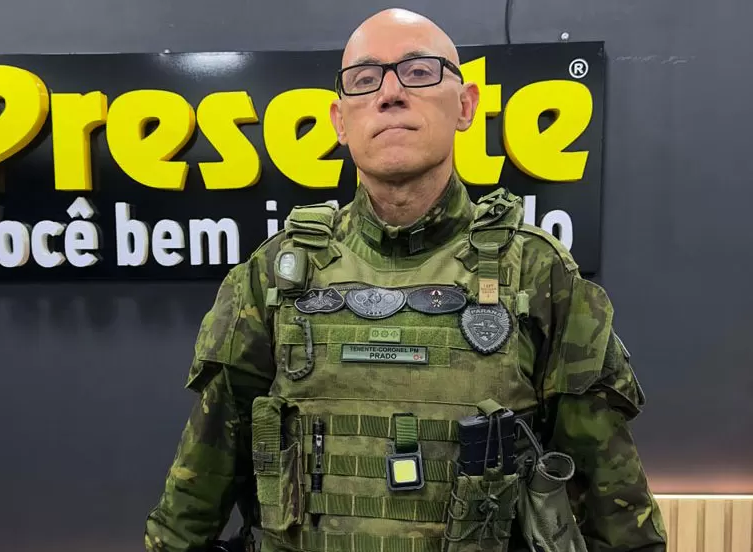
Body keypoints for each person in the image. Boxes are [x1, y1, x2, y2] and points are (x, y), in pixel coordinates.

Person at [144, 8, 667, 552]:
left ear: (465, 105)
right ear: (339, 120)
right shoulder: (274, 273)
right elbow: (195, 494)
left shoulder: (537, 272)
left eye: (419, 72)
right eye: (364, 79)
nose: (390, 94)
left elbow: (612, 503)